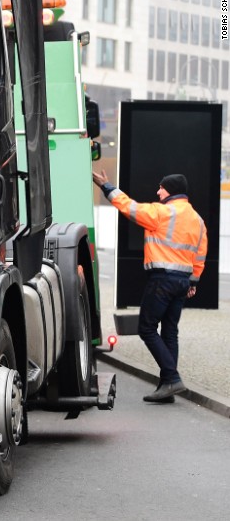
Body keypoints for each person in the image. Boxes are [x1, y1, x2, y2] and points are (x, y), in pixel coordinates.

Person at [93, 170, 208, 403]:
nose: (158, 191)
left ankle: (173, 378)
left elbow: (130, 208)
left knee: (146, 328)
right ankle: (167, 386)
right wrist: (193, 281)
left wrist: (107, 187)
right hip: (182, 282)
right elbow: (200, 253)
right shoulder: (197, 219)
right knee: (170, 331)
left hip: (162, 280)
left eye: (162, 188)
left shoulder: (162, 212)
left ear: (172, 191)